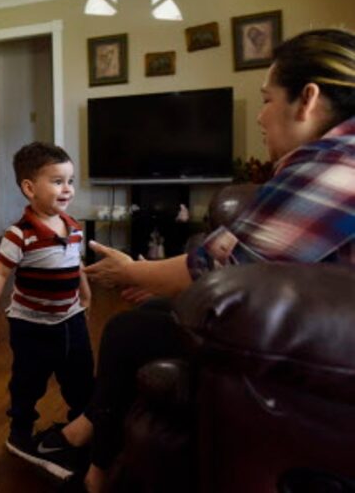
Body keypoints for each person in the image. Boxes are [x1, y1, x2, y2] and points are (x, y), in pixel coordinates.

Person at [28, 28, 355, 492]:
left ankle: (93, 470)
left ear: (307, 99)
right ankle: (86, 430)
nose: (260, 116)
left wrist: (133, 270)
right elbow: (231, 249)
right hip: (318, 331)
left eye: (266, 100)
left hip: (318, 347)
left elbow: (227, 266)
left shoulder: (332, 165)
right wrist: (162, 282)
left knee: (126, 327)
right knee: (149, 311)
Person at [0, 142, 94, 480]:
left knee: (81, 375)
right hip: (32, 326)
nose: (67, 189)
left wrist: (84, 292)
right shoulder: (19, 234)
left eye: (70, 180)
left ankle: (78, 428)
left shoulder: (73, 226)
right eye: (57, 181)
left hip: (71, 318)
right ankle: (20, 432)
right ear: (30, 188)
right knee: (29, 379)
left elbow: (76, 263)